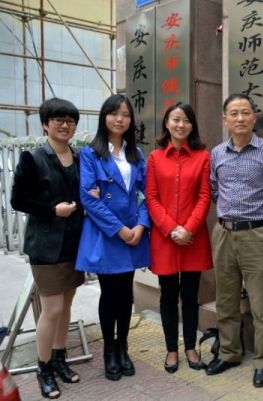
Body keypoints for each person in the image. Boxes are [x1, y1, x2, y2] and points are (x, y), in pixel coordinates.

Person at [207, 93, 263, 388]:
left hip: (256, 234)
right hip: (224, 233)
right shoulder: (217, 153)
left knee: (260, 304)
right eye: (233, 113)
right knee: (226, 300)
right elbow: (215, 191)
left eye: (245, 112)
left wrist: (258, 222)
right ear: (224, 119)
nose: (239, 118)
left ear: (254, 116)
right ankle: (229, 353)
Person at [11, 98, 85, 399]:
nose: (65, 125)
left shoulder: (78, 156)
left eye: (70, 120)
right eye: (58, 120)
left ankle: (59, 357)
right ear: (45, 124)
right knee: (51, 308)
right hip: (46, 245)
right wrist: (53, 210)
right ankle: (43, 368)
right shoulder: (32, 158)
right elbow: (18, 200)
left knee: (66, 305)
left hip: (74, 243)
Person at [75, 94, 150, 381]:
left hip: (133, 232)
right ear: (104, 117)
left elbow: (147, 194)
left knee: (126, 292)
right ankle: (110, 350)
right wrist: (119, 229)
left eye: (125, 114)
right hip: (108, 233)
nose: (120, 119)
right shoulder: (90, 153)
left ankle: (123, 347)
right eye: (114, 113)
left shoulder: (136, 153)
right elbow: (88, 197)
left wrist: (141, 225)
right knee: (110, 294)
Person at [146, 102, 213, 374]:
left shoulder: (203, 157)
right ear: (167, 123)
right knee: (167, 296)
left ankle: (191, 347)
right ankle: (172, 349)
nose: (180, 125)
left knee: (191, 296)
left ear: (192, 125)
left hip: (193, 239)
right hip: (165, 239)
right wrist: (173, 229)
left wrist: (189, 229)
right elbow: (151, 197)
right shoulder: (155, 157)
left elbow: (205, 196)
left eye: (186, 120)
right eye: (175, 119)